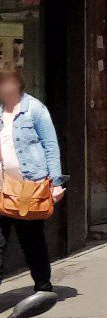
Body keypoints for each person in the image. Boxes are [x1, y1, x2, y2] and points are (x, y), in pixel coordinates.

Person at [0, 67, 63, 303]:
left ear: (18, 84)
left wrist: (55, 183)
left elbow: (51, 146)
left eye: (8, 83)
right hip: (3, 187)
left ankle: (43, 288)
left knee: (32, 240)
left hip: (30, 186)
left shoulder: (34, 109)